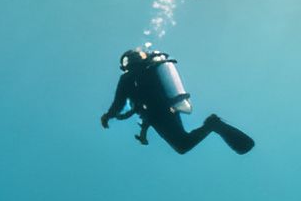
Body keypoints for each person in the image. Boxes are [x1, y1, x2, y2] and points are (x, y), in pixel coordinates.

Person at [100, 47, 255, 155]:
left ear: (124, 66)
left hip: (158, 114)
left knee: (182, 145)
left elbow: (119, 103)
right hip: (169, 109)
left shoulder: (127, 77)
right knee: (182, 144)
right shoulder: (152, 69)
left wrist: (108, 115)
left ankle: (212, 124)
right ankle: (213, 125)